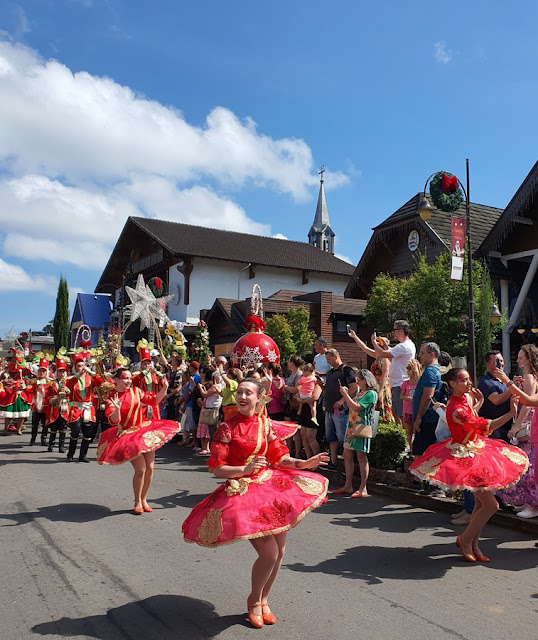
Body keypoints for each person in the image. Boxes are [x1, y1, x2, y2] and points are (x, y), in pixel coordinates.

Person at [182, 378, 329, 628]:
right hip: (243, 494)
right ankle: (253, 600)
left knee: (280, 551)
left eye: (247, 392)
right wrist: (244, 469)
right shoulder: (227, 428)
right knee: (269, 552)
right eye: (239, 391)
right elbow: (217, 469)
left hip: (269, 489)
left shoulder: (264, 424)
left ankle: (264, 599)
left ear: (259, 396)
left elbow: (279, 458)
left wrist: (303, 464)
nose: (241, 396)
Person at [410, 368, 526, 562]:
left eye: (469, 379)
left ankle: (473, 543)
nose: (469, 383)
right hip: (464, 456)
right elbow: (483, 426)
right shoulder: (455, 408)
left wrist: (479, 402)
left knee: (482, 504)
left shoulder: (463, 400)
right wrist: (510, 413)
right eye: (464, 380)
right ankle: (465, 539)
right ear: (453, 384)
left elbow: (471, 420)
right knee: (491, 505)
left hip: (475, 449)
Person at [96, 367, 180, 514]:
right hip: (127, 435)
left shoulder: (136, 391)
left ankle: (144, 499)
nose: (128, 381)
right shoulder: (112, 398)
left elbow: (154, 401)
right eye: (125, 378)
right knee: (140, 469)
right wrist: (116, 408)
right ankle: (137, 501)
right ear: (116, 380)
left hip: (143, 431)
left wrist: (164, 388)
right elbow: (114, 421)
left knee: (150, 468)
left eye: (129, 378)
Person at [493, 355, 538, 519]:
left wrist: (508, 382)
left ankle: (533, 504)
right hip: (532, 432)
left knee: (528, 469)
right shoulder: (528, 377)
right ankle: (529, 503)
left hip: (531, 432)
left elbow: (528, 402)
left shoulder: (529, 377)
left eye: (520, 357)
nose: (517, 360)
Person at [350, 320, 415, 428]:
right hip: (395, 384)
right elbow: (367, 349)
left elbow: (384, 369)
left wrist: (374, 342)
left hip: (395, 384)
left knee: (401, 416)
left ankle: (404, 439)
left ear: (401, 331)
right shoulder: (399, 348)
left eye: (394, 330)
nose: (393, 332)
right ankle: (401, 436)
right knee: (398, 414)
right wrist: (355, 337)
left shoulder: (403, 346)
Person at [333, 369, 378, 497]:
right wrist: (347, 396)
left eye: (359, 379)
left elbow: (356, 407)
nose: (357, 382)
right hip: (353, 427)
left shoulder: (370, 394)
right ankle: (348, 485)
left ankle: (363, 488)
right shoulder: (361, 393)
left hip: (361, 428)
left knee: (361, 457)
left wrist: (346, 396)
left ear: (366, 380)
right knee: (347, 455)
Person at [65, 354, 104, 463]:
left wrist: (92, 372)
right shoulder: (72, 379)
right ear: (75, 367)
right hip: (76, 408)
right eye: (78, 366)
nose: (81, 368)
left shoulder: (90, 378)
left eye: (82, 366)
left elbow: (100, 382)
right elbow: (69, 385)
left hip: (88, 408)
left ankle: (83, 455)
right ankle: (70, 454)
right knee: (75, 431)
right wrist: (77, 375)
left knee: (87, 433)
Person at [323, 349, 358, 470]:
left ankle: (346, 463)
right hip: (329, 408)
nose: (328, 362)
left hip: (341, 409)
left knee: (343, 437)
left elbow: (354, 388)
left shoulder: (346, 370)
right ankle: (333, 462)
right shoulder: (330, 372)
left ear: (335, 356)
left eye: (329, 359)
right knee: (331, 436)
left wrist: (342, 401)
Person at [412, 342, 442, 456]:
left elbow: (427, 396)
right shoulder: (439, 370)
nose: (419, 356)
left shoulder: (430, 372)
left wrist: (419, 417)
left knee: (422, 457)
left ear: (432, 354)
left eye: (422, 353)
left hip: (427, 420)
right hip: (433, 419)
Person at [478, 351, 512, 441]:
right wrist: (512, 386)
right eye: (497, 361)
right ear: (488, 364)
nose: (500, 364)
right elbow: (496, 400)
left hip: (507, 426)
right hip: (493, 429)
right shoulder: (485, 381)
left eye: (501, 361)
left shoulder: (505, 380)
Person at [132, 347, 166, 420]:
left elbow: (164, 382)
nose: (147, 365)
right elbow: (134, 381)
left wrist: (157, 373)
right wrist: (145, 372)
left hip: (154, 403)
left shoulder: (154, 375)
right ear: (140, 365)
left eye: (148, 363)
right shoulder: (137, 374)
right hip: (141, 404)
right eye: (145, 364)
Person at [45, 358, 70, 453]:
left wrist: (67, 391)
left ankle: (61, 446)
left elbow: (72, 395)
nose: (62, 373)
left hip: (64, 407)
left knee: (63, 427)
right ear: (57, 372)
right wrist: (53, 399)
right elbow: (47, 395)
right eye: (60, 371)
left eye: (63, 371)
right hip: (54, 407)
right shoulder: (51, 383)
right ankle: (50, 445)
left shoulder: (68, 383)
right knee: (53, 428)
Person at [196, 370, 223, 455]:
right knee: (210, 428)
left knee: (212, 430)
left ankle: (212, 448)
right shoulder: (220, 386)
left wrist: (200, 388)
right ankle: (210, 447)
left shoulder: (216, 387)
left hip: (212, 409)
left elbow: (205, 394)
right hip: (212, 408)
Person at [369, 337, 393, 422]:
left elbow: (385, 374)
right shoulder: (377, 356)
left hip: (381, 385)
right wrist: (355, 337)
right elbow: (364, 348)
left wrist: (380, 390)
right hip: (375, 385)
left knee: (382, 406)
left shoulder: (385, 358)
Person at [400, 359, 421, 453]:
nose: (408, 372)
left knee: (417, 431)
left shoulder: (419, 383)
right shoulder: (405, 383)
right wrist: (408, 398)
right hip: (407, 410)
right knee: (409, 431)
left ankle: (417, 448)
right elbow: (401, 396)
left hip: (416, 411)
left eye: (409, 370)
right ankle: (411, 447)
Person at [29, 358, 51, 446]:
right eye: (40, 371)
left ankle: (43, 439)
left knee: (45, 425)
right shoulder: (34, 381)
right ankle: (33, 439)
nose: (42, 373)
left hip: (46, 406)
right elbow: (29, 390)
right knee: (35, 424)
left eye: (43, 371)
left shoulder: (49, 382)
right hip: (36, 406)